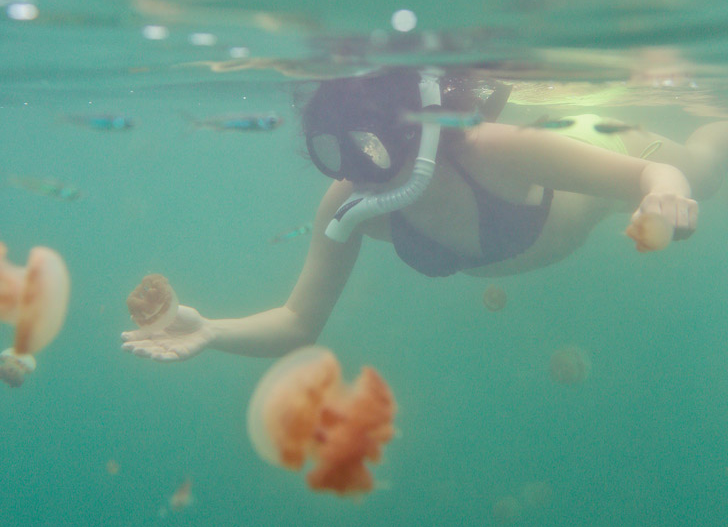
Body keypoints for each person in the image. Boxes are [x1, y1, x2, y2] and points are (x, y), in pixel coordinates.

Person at [121, 67, 728, 363]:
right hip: (546, 228)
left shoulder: (497, 150)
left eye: (367, 149)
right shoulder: (350, 201)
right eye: (332, 153)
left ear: (409, 135)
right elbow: (298, 321)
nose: (353, 171)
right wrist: (211, 330)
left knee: (701, 163)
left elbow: (651, 176)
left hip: (605, 143)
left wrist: (664, 196)